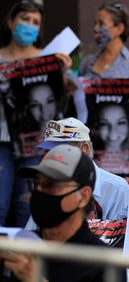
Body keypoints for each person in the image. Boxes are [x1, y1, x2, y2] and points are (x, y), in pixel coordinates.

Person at [0, 1, 75, 227]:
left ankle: (24, 261)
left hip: (35, 143)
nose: (29, 26)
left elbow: (62, 102)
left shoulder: (50, 58)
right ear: (11, 22)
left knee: (28, 205)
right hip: (2, 141)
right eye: (25, 19)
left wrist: (63, 74)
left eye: (35, 23)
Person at [2, 144, 118, 282]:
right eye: (36, 183)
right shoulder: (21, 248)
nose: (40, 192)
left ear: (83, 196)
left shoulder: (105, 263)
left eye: (52, 185)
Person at [78, 2, 129, 115]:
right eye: (95, 23)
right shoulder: (87, 63)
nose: (95, 29)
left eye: (101, 24)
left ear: (119, 28)